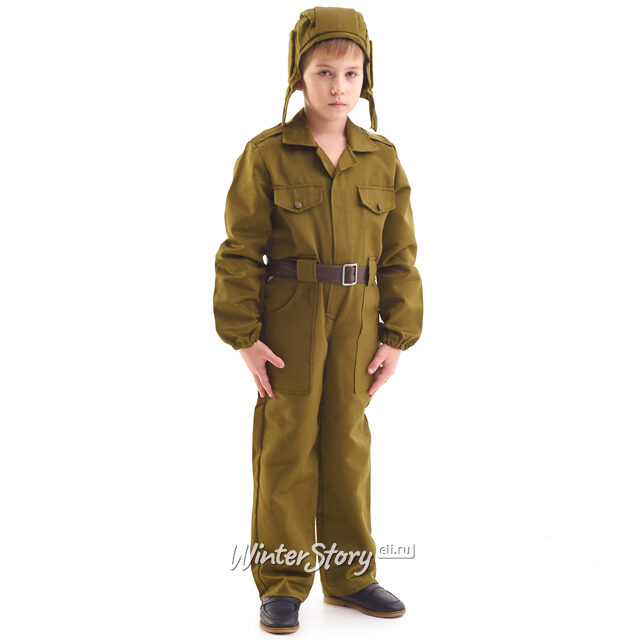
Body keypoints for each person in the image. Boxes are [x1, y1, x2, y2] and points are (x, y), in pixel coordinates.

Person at [213, 6, 423, 634]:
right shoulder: (267, 155)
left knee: (347, 442)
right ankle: (282, 581)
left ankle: (352, 576)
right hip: (291, 317)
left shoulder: (381, 159)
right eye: (324, 72)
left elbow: (400, 256)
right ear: (298, 76)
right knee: (288, 443)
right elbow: (240, 251)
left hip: (358, 319)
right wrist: (245, 338)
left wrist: (397, 336)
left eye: (351, 74)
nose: (338, 87)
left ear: (366, 79)